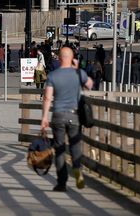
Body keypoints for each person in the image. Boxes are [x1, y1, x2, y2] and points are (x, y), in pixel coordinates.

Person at [41, 46, 94, 192]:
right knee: (75, 147)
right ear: (72, 58)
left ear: (59, 58)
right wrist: (77, 69)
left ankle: (62, 182)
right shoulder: (78, 73)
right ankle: (77, 170)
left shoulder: (53, 75)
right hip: (74, 115)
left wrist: (44, 117)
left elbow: (47, 98)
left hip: (58, 115)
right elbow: (90, 85)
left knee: (59, 149)